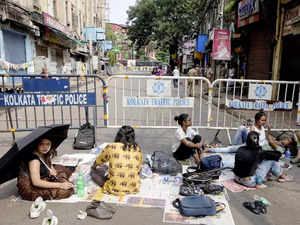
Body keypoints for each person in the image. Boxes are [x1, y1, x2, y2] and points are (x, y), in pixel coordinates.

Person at [92, 126, 143, 196]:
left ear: (118, 136)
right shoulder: (137, 148)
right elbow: (139, 170)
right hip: (133, 188)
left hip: (113, 188)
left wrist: (93, 167)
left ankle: (111, 183)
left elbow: (99, 161)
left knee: (94, 174)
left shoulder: (111, 146)